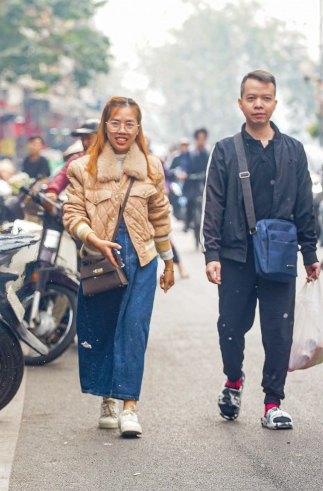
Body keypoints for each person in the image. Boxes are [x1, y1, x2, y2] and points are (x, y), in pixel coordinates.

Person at [202, 70, 319, 430]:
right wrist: (212, 254)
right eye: (251, 98)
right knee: (231, 326)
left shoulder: (293, 151)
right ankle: (233, 382)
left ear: (274, 102)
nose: (258, 104)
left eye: (265, 98)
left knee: (278, 331)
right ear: (240, 103)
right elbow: (214, 204)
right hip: (237, 255)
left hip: (280, 255)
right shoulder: (225, 150)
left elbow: (304, 205)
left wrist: (310, 254)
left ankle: (272, 403)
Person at [63, 97, 174, 437]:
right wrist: (91, 238)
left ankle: (129, 406)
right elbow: (72, 214)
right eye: (115, 122)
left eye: (129, 123)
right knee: (103, 329)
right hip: (100, 260)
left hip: (141, 259)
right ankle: (107, 399)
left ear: (138, 128)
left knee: (134, 330)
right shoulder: (82, 167)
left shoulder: (152, 167)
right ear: (104, 125)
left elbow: (160, 216)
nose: (122, 130)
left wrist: (168, 262)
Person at [46, 119, 99, 201]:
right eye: (82, 139)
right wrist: (52, 190)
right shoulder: (76, 159)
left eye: (88, 138)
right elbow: (62, 176)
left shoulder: (111, 159)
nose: (84, 142)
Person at [179, 128, 209, 233]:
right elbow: (184, 165)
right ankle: (187, 223)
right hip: (191, 183)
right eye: (199, 138)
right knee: (190, 202)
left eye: (203, 138)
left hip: (205, 182)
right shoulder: (190, 153)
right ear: (196, 139)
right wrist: (183, 173)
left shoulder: (208, 153)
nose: (201, 140)